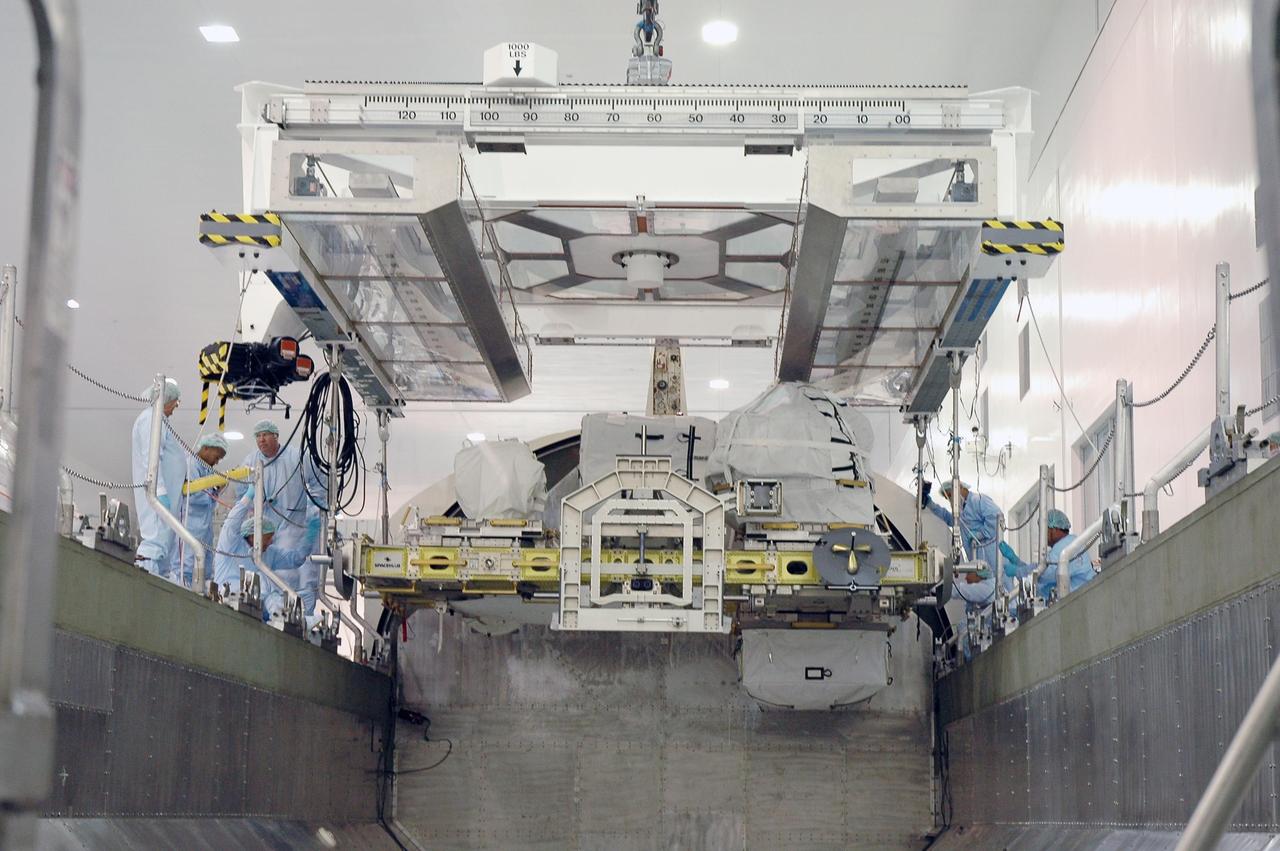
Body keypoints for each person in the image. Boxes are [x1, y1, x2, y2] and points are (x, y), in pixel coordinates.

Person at [233, 418, 327, 614]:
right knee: (268, 579)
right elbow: (240, 491)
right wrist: (251, 504)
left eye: (265, 435)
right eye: (258, 436)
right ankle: (276, 616)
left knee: (299, 576)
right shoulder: (251, 461)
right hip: (265, 530)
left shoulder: (298, 457)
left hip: (294, 526)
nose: (261, 440)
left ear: (276, 436)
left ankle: (301, 618)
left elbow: (320, 487)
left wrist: (312, 513)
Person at [212, 497, 319, 621]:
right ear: (254, 535)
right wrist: (248, 497)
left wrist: (311, 535)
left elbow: (296, 558)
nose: (270, 542)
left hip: (256, 607)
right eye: (267, 538)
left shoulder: (268, 553)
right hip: (227, 600)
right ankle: (283, 616)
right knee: (263, 581)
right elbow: (231, 524)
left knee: (298, 595)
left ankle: (295, 619)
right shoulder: (231, 544)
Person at [130, 378, 187, 575]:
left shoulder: (159, 421)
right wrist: (159, 493)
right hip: (158, 499)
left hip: (166, 500)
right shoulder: (151, 419)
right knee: (154, 545)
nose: (176, 407)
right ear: (166, 399)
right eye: (176, 402)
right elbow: (151, 457)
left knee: (162, 551)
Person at [922, 479, 1007, 610]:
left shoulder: (977, 500)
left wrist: (980, 534)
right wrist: (930, 504)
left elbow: (997, 517)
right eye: (947, 498)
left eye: (950, 496)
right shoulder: (962, 510)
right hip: (980, 563)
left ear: (960, 488)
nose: (950, 500)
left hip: (993, 556)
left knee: (1001, 593)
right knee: (984, 600)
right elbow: (949, 518)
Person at [168, 433, 229, 587]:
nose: (217, 461)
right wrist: (214, 488)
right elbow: (192, 496)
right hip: (189, 528)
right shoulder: (190, 465)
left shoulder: (207, 471)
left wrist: (216, 490)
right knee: (185, 570)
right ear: (207, 448)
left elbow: (209, 500)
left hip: (203, 532)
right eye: (217, 456)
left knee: (204, 573)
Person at [1000, 508, 1095, 602]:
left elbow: (1043, 574)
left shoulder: (1065, 547)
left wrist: (1018, 571)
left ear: (1053, 529)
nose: (1043, 536)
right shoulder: (1066, 545)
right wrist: (1016, 561)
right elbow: (1039, 571)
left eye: (1045, 530)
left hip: (1077, 602)